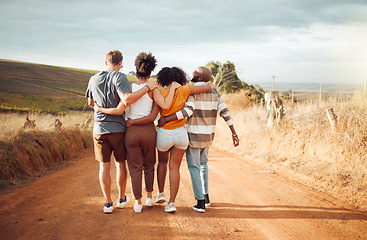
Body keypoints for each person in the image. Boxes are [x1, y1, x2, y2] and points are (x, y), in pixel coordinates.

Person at [93, 52, 180, 213]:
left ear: (136, 70)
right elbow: (161, 110)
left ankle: (137, 202)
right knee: (149, 164)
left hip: (131, 133)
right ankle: (149, 197)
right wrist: (173, 89)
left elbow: (121, 108)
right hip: (149, 132)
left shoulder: (130, 88)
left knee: (134, 167)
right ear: (150, 72)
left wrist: (100, 109)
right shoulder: (153, 89)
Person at [158, 66, 239, 213]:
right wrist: (233, 132)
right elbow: (224, 111)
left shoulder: (192, 90)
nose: (192, 73)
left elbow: (187, 111)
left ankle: (200, 202)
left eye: (195, 72)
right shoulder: (213, 91)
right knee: (203, 165)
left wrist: (166, 119)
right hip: (208, 135)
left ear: (200, 78)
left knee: (194, 167)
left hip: (194, 134)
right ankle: (206, 196)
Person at [85, 50, 157, 214]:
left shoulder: (93, 79)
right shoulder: (120, 77)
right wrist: (146, 88)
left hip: (99, 129)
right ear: (121, 62)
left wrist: (99, 109)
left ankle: (107, 203)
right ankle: (122, 198)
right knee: (120, 163)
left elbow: (90, 102)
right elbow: (125, 100)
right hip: (118, 129)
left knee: (103, 166)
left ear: (106, 62)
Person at [153, 67, 213, 213]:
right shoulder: (185, 90)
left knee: (162, 162)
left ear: (163, 79)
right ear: (179, 78)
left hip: (164, 133)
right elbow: (207, 87)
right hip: (181, 134)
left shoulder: (160, 93)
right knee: (175, 168)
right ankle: (172, 202)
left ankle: (161, 193)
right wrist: (210, 85)